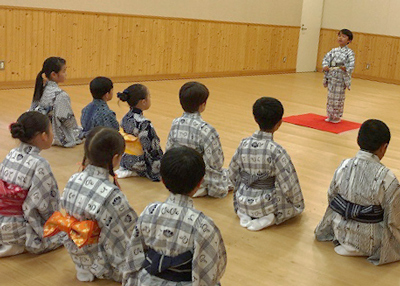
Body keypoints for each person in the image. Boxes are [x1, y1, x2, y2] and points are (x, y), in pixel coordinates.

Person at [44, 127, 137, 281]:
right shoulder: (111, 194)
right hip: (103, 260)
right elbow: (126, 233)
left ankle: (85, 267)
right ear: (115, 158)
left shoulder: (74, 178)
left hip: (78, 254)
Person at [123, 146, 227, 286]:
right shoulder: (203, 225)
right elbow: (211, 270)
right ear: (200, 182)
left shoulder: (150, 211)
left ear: (163, 180)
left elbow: (134, 255)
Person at [315, 119, 400, 265]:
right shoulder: (387, 178)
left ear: (358, 140)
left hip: (341, 233)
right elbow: (394, 217)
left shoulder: (344, 166)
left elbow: (332, 197)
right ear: (384, 147)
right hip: (372, 243)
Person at [229, 97, 304, 231]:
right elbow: (289, 185)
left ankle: (244, 213)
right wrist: (297, 203)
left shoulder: (243, 144)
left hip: (242, 199)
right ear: (279, 123)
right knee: (293, 207)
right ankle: (269, 217)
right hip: (266, 202)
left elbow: (232, 173)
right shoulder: (277, 151)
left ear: (255, 118)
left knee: (244, 192)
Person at [0, 111, 64, 257]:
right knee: (66, 234)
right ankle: (15, 244)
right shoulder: (39, 164)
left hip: (1, 219)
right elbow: (43, 205)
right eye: (51, 130)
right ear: (43, 136)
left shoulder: (12, 153)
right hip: (16, 229)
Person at [166, 81, 231, 198]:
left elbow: (169, 150)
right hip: (197, 181)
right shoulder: (207, 129)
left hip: (177, 178)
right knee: (231, 175)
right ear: (203, 104)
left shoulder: (175, 123)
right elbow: (216, 163)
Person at [30, 56, 82, 147]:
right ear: (54, 74)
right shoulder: (61, 95)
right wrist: (76, 130)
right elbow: (68, 121)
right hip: (57, 135)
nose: (66, 74)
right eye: (64, 71)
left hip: (42, 130)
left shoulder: (41, 89)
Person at [115, 84, 163, 182]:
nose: (150, 99)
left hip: (124, 159)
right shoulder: (144, 124)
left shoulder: (125, 118)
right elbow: (152, 150)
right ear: (143, 102)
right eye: (149, 96)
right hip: (139, 162)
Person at [322, 29, 355, 123]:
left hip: (340, 78)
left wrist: (346, 68)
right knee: (330, 96)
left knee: (338, 97)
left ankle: (336, 116)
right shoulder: (333, 51)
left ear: (349, 41)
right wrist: (325, 66)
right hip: (332, 76)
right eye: (340, 36)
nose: (341, 38)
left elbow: (351, 65)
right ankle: (330, 115)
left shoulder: (349, 53)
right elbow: (326, 59)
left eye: (344, 37)